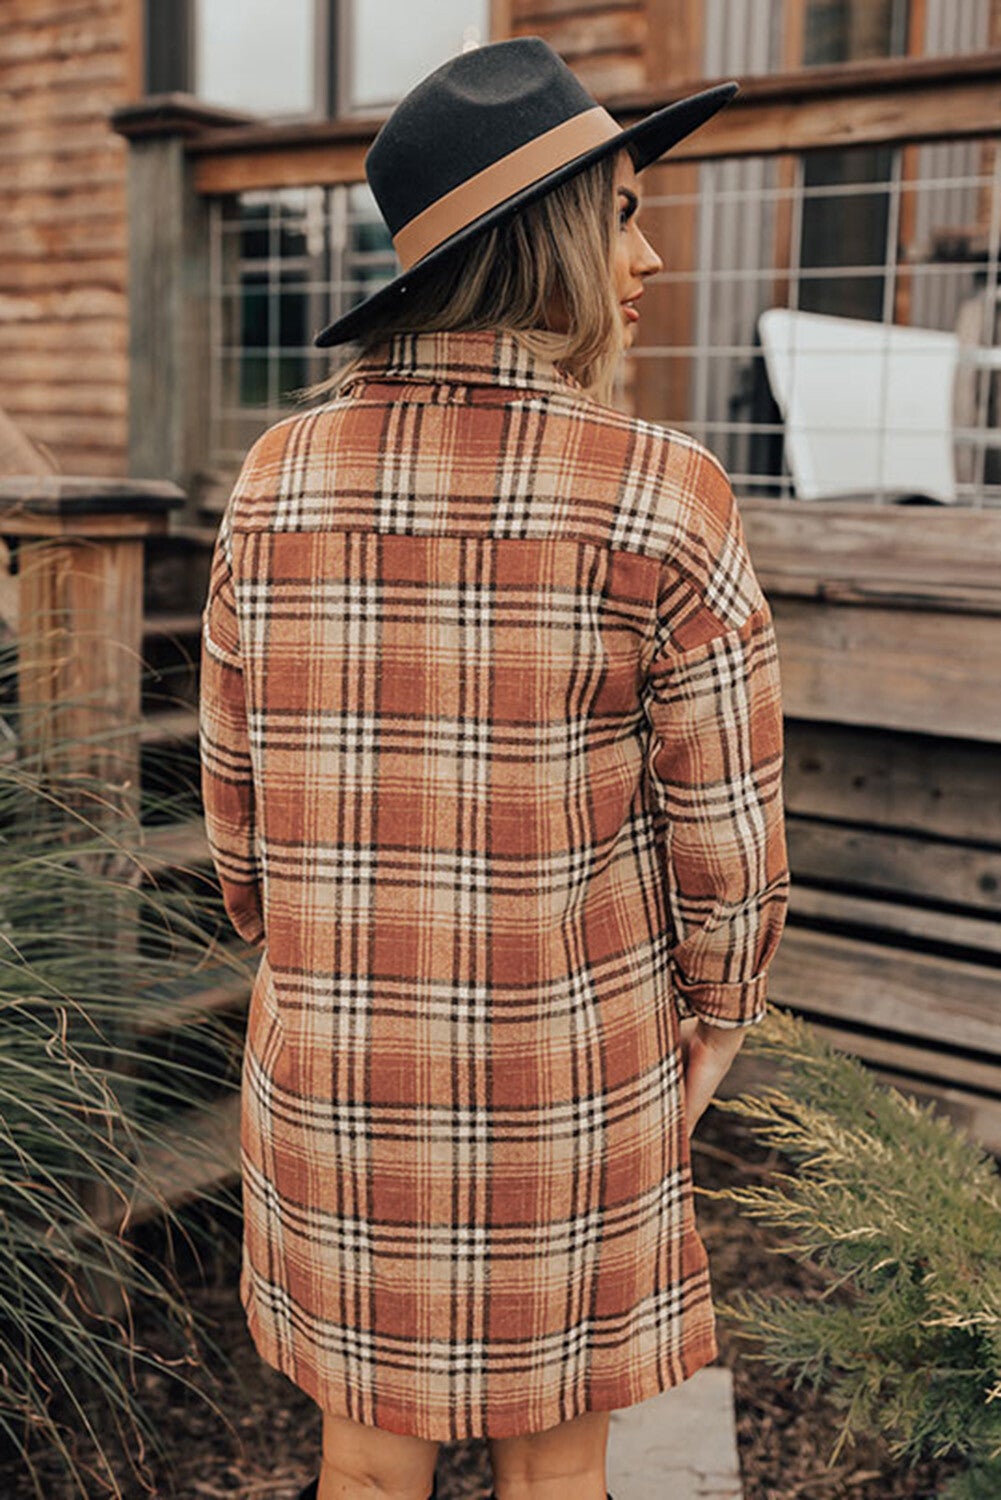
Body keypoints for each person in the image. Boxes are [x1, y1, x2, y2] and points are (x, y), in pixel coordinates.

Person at [199, 36, 789, 1500]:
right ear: (550, 248)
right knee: (554, 1482)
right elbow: (724, 829)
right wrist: (717, 1012)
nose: (648, 257)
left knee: (368, 1476)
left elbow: (236, 823)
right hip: (567, 1070)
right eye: (626, 216)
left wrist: (325, 970)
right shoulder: (662, 494)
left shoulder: (273, 483)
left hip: (336, 1067)